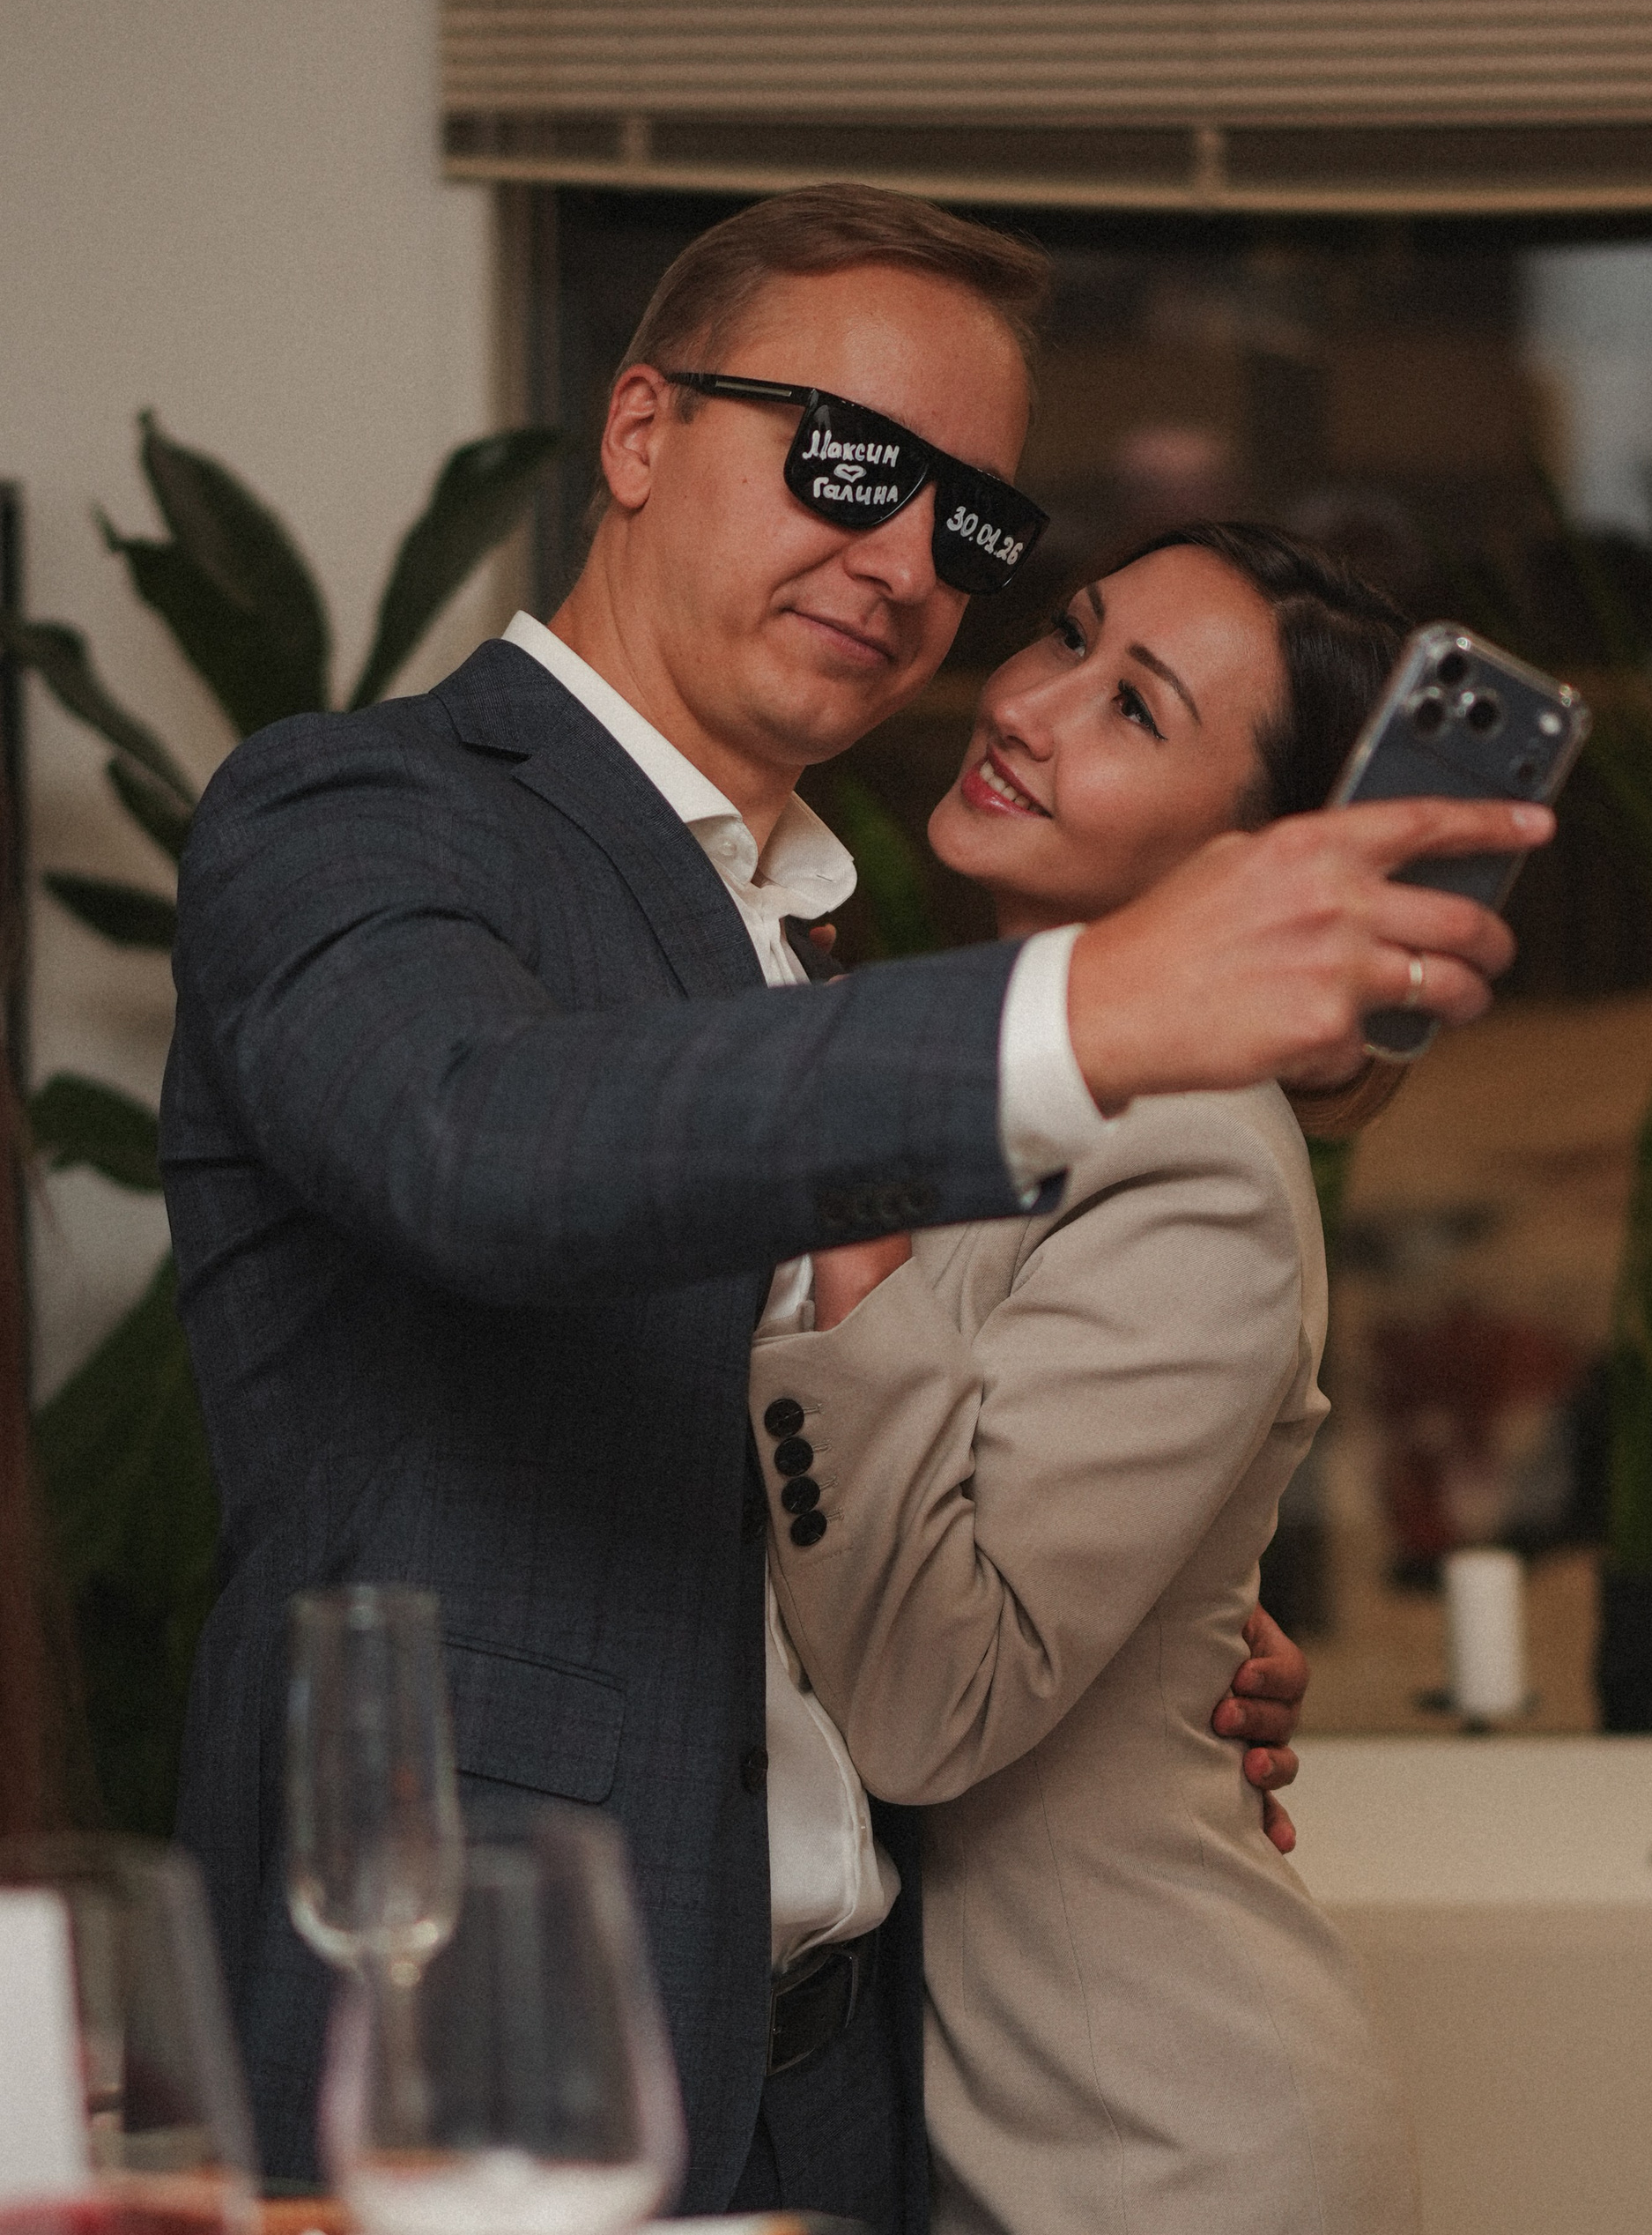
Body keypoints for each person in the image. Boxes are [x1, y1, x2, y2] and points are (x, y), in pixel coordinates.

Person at [162, 186, 1544, 2224]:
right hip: (482, 2055)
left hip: (857, 2090)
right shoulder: (360, 809)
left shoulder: (809, 952)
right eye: (846, 461)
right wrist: (1089, 1002)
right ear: (642, 430)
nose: (905, 561)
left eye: (968, 524)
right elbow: (473, 1139)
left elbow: (833, 1525)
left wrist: (1163, 1637)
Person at [750, 523, 1428, 2233]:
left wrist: (837, 1169)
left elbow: (927, 1701)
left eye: (1136, 708)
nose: (1029, 705)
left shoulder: (1198, 1155)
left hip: (1153, 2147)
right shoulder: (1002, 1086)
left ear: (1246, 865)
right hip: (983, 2121)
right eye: (1067, 633)